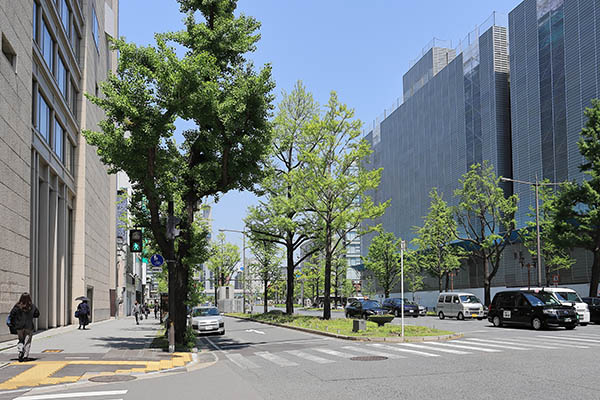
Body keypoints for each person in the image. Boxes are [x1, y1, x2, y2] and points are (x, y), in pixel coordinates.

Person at [9, 293, 40, 362]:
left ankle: (20, 350)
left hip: (19, 327)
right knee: (27, 342)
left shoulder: (17, 306)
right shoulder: (32, 306)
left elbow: (12, 315)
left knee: (21, 340)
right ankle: (25, 356)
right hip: (29, 326)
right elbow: (37, 314)